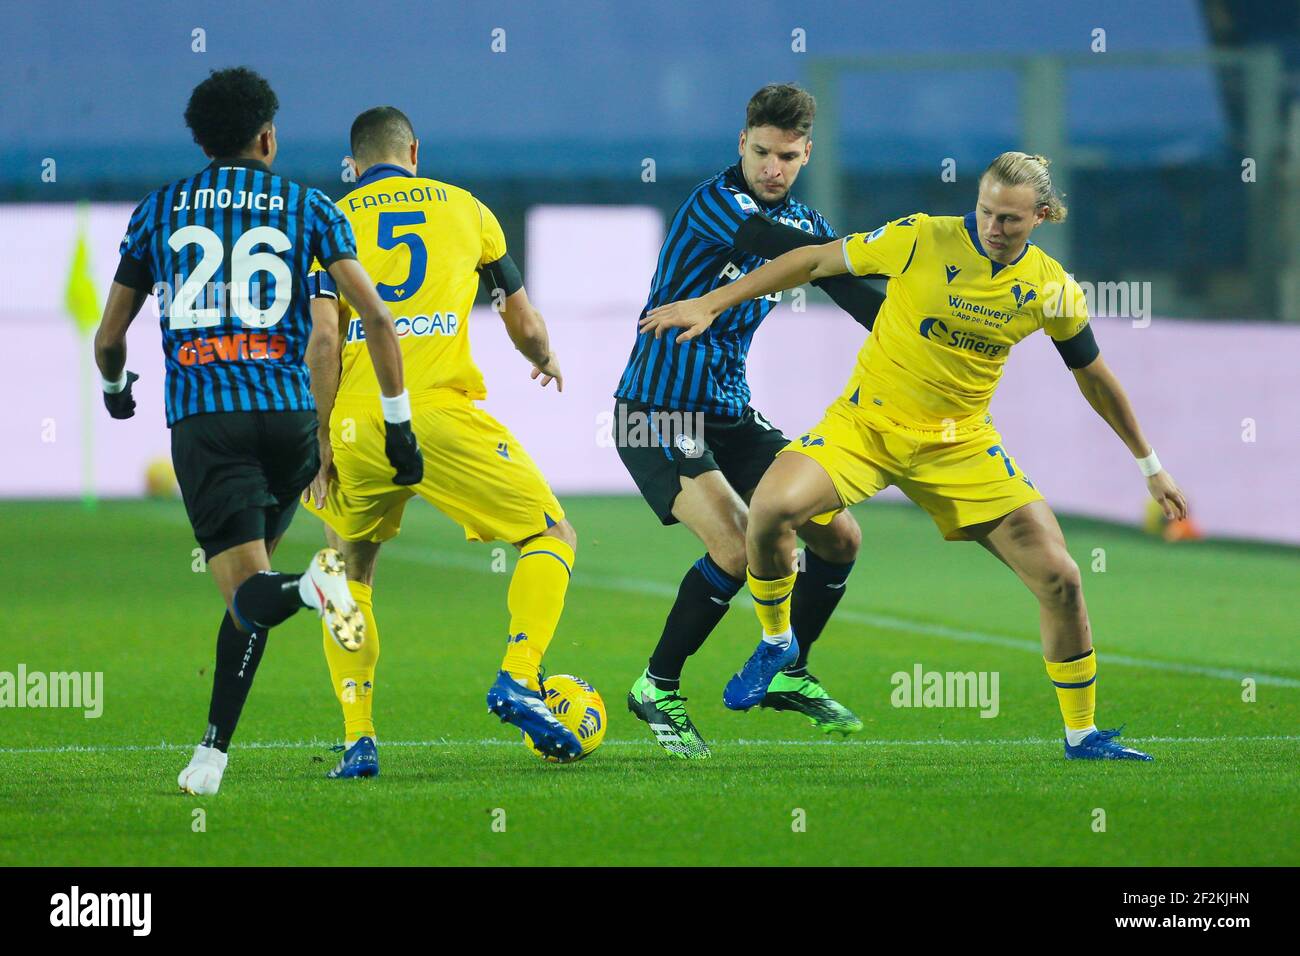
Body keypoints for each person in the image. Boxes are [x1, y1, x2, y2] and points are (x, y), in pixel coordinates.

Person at [641, 151, 1188, 760]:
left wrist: (1150, 465)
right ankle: (777, 647)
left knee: (1060, 578)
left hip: (960, 446)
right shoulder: (921, 237)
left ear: (1039, 217)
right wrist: (712, 302)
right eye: (984, 211)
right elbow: (812, 260)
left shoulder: (1051, 288)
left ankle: (1082, 734)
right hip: (867, 424)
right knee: (771, 509)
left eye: (1009, 218)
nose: (992, 227)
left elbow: (1094, 377)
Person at [92, 68, 422, 795]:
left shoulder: (160, 210)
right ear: (267, 137)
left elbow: (110, 336)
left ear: (203, 140)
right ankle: (212, 753)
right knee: (252, 590)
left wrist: (116, 390)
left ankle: (317, 585)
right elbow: (375, 317)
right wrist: (398, 424)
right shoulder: (310, 207)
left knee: (252, 591)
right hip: (290, 422)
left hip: (209, 420)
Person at [303, 106, 583, 772]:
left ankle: (358, 738)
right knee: (551, 536)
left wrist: (320, 439)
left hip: (355, 424)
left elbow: (321, 341)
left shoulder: (329, 220)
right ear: (414, 151)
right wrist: (542, 356)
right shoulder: (468, 210)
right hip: (434, 414)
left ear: (354, 164)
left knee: (347, 577)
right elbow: (521, 318)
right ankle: (519, 673)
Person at [614, 83, 885, 759]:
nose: (772, 167)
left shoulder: (810, 224)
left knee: (840, 538)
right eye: (761, 151)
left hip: (731, 415)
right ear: (742, 143)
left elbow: (853, 294)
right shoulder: (717, 204)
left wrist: (920, 333)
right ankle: (657, 686)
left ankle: (788, 670)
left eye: (787, 156)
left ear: (805, 154)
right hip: (655, 410)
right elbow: (768, 242)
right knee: (738, 549)